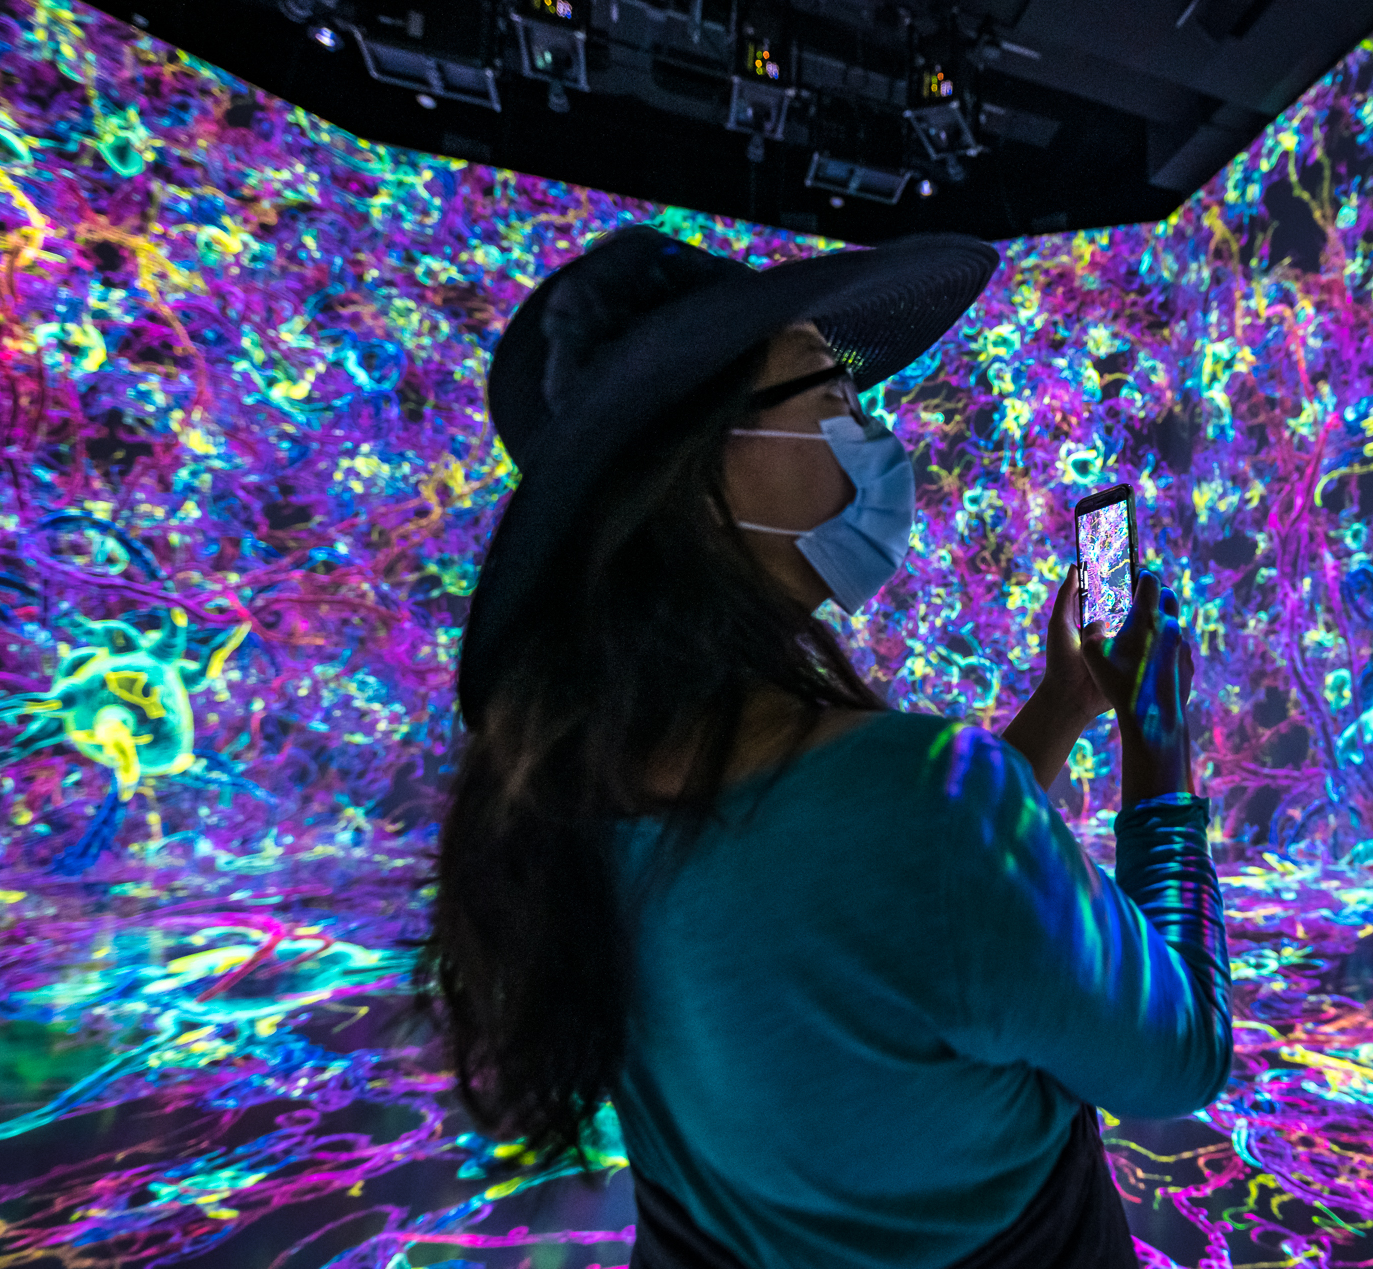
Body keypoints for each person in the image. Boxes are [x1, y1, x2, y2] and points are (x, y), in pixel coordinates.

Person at [419, 227, 1232, 1269]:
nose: (871, 431)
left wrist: (1067, 701)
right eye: (831, 395)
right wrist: (1155, 745)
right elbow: (1179, 1056)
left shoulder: (567, 794)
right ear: (706, 478)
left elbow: (902, 911)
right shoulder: (930, 804)